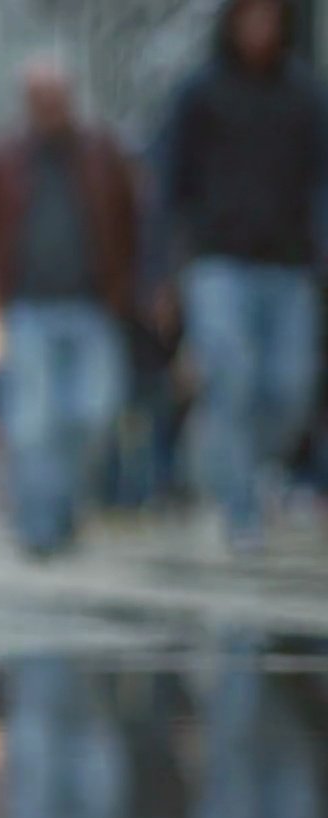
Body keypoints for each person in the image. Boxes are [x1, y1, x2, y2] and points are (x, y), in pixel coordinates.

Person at [154, 0, 328, 554]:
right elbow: (169, 185)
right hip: (218, 262)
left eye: (270, 16)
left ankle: (250, 467)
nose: (259, 28)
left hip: (290, 264)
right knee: (230, 378)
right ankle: (240, 509)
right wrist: (164, 270)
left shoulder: (307, 95)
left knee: (289, 386)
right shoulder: (199, 93)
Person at [0, 62, 141, 558]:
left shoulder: (101, 154)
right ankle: (39, 527)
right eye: (39, 96)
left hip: (93, 305)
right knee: (31, 422)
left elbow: (132, 221)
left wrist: (142, 286)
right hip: (24, 310)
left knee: (93, 413)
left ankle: (63, 507)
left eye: (56, 95)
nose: (49, 106)